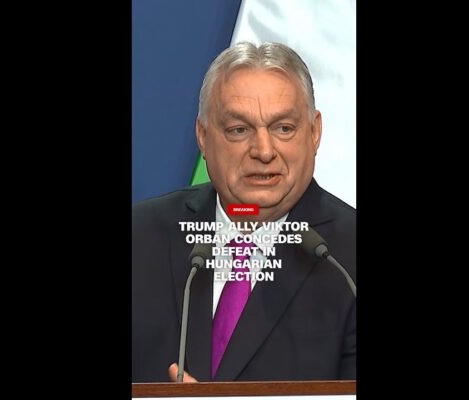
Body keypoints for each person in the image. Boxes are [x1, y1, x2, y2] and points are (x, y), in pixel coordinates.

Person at [132, 42, 356, 382]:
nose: (264, 151)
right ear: (203, 137)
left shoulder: (347, 262)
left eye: (283, 128)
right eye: (239, 130)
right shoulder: (140, 237)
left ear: (314, 133)